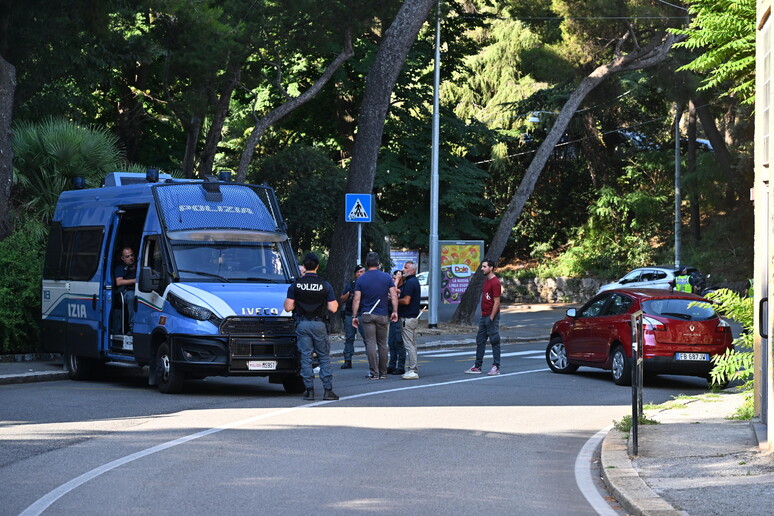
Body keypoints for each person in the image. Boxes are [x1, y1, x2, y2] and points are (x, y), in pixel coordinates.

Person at [284, 253, 339, 401]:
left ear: (304, 266)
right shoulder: (324, 285)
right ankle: (328, 391)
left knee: (306, 358)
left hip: (302, 323)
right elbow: (333, 308)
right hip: (319, 323)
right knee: (324, 358)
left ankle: (309, 391)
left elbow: (288, 307)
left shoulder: (296, 285)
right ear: (317, 266)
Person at [352, 252, 398, 380]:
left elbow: (356, 299)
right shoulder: (387, 278)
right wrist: (395, 311)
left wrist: (354, 316)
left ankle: (374, 372)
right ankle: (383, 372)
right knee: (383, 343)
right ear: (378, 263)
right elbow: (394, 295)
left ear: (367, 264)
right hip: (382, 314)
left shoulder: (361, 279)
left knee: (370, 342)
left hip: (367, 314)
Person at [465, 259, 502, 375]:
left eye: (484, 266)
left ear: (491, 268)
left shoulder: (495, 282)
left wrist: (491, 317)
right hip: (484, 315)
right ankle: (477, 366)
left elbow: (497, 302)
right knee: (480, 340)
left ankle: (496, 367)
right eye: (482, 266)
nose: (482, 268)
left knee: (494, 341)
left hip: (491, 316)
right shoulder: (486, 281)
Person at [398, 261, 422, 380]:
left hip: (408, 317)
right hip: (411, 317)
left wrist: (394, 300)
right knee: (411, 343)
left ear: (412, 270)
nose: (403, 270)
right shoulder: (412, 282)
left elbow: (406, 300)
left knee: (409, 344)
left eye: (406, 268)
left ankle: (412, 369)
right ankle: (413, 367)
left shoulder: (411, 283)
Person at [339, 264, 366, 369]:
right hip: (350, 314)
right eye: (358, 272)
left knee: (367, 339)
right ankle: (347, 360)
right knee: (349, 338)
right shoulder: (350, 284)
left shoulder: (368, 284)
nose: (359, 274)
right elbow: (342, 298)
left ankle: (372, 361)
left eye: (362, 272)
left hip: (363, 315)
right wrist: (350, 293)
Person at [387, 270, 406, 375]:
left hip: (399, 317)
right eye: (393, 278)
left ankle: (400, 366)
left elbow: (394, 292)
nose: (393, 280)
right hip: (392, 317)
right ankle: (392, 365)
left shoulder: (402, 288)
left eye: (395, 278)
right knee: (391, 342)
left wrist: (397, 279)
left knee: (399, 342)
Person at [114, 247, 137, 332]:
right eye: (127, 256)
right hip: (127, 291)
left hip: (141, 289)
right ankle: (132, 327)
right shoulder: (120, 268)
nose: (130, 258)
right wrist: (135, 281)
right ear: (122, 258)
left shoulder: (139, 265)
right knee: (131, 297)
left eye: (131, 255)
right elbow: (119, 282)